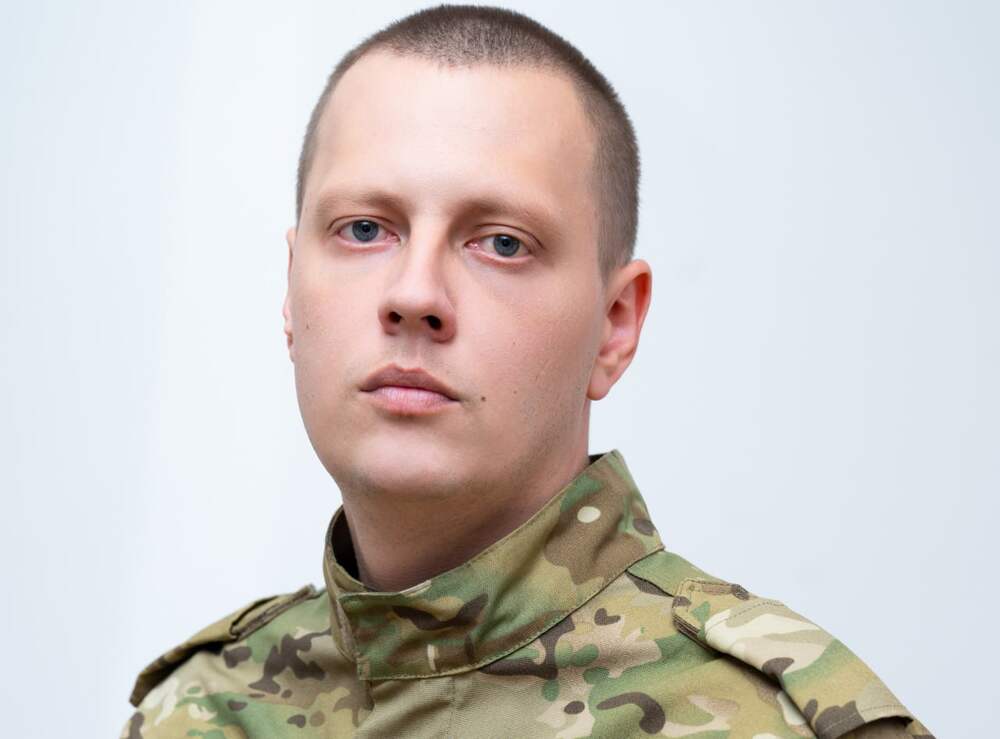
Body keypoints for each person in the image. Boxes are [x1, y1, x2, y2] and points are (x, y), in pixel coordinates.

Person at [121, 5, 932, 738]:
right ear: (291, 290)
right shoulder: (198, 712)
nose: (414, 294)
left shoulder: (783, 723)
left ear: (615, 325)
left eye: (502, 242)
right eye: (365, 228)